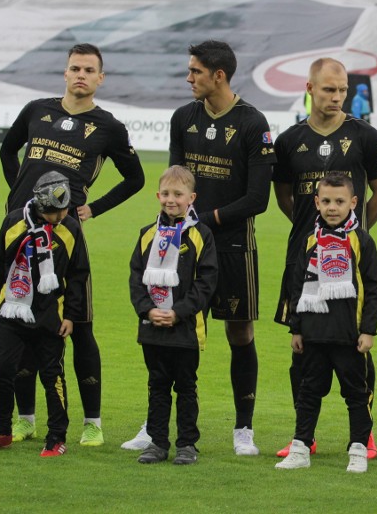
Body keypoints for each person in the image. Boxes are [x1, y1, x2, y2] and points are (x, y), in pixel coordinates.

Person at [0, 43, 145, 447]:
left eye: (89, 70)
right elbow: (8, 149)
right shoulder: (35, 110)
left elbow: (135, 179)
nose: (81, 74)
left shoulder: (109, 128)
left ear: (101, 78)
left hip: (66, 239)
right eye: (75, 68)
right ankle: (26, 419)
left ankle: (92, 423)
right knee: (21, 320)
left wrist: (92, 209)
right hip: (22, 231)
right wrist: (17, 194)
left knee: (79, 326)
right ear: (64, 73)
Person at [140, 39, 275, 457]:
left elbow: (258, 200)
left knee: (239, 331)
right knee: (168, 330)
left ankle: (243, 429)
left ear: (218, 75)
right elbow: (175, 177)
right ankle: (154, 427)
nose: (189, 77)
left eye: (195, 71)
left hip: (233, 246)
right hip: (180, 248)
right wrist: (182, 224)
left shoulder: (254, 123)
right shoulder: (184, 118)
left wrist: (207, 221)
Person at [272, 57, 377, 460]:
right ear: (309, 89)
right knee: (301, 347)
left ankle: (365, 433)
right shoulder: (289, 140)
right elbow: (285, 197)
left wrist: (355, 238)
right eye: (329, 89)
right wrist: (315, 238)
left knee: (355, 348)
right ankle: (303, 436)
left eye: (342, 89)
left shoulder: (366, 135)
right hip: (303, 261)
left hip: (348, 264)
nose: (337, 96)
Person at [0, 172, 90, 457]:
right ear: (40, 206)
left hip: (51, 315)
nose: (61, 215)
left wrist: (71, 316)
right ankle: (1, 429)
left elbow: (78, 275)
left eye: (64, 209)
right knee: (1, 370)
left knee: (53, 375)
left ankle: (56, 436)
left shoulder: (71, 229)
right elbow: (0, 262)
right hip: (11, 309)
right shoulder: (14, 221)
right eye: (55, 211)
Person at [275, 172, 377, 473]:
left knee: (356, 395)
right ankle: (300, 447)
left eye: (339, 201)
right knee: (309, 392)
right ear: (316, 202)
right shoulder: (310, 239)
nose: (332, 207)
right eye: (326, 201)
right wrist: (296, 328)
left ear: (353, 202)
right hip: (314, 334)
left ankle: (358, 450)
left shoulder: (361, 240)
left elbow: (374, 287)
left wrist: (368, 330)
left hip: (349, 335)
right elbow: (297, 285)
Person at [128, 166, 218, 465]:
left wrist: (178, 312)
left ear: (191, 198)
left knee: (186, 387)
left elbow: (207, 282)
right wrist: (147, 310)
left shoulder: (201, 235)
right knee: (157, 386)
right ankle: (157, 442)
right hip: (152, 326)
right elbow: (135, 277)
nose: (171, 200)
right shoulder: (147, 234)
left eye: (178, 194)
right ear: (157, 195)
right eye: (166, 193)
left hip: (186, 328)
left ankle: (187, 444)